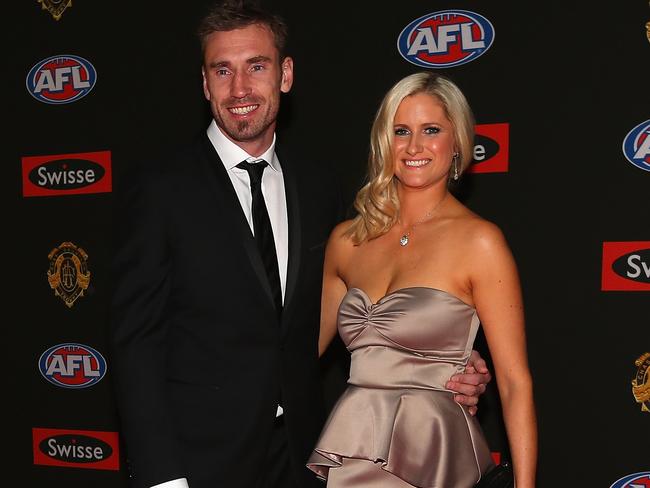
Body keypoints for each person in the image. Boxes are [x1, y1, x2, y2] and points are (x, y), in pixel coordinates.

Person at [109, 2, 492, 487]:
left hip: (304, 455)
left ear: (285, 75)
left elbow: (375, 298)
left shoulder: (319, 186)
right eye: (221, 70)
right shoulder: (160, 188)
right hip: (199, 462)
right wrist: (163, 477)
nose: (240, 89)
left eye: (257, 67)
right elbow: (135, 344)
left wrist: (452, 360)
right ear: (205, 84)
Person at [308, 72, 537, 487]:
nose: (414, 147)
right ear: (384, 141)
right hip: (355, 444)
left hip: (434, 450)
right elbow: (299, 357)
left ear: (458, 143)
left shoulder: (479, 242)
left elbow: (514, 381)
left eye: (431, 130)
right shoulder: (346, 241)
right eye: (401, 131)